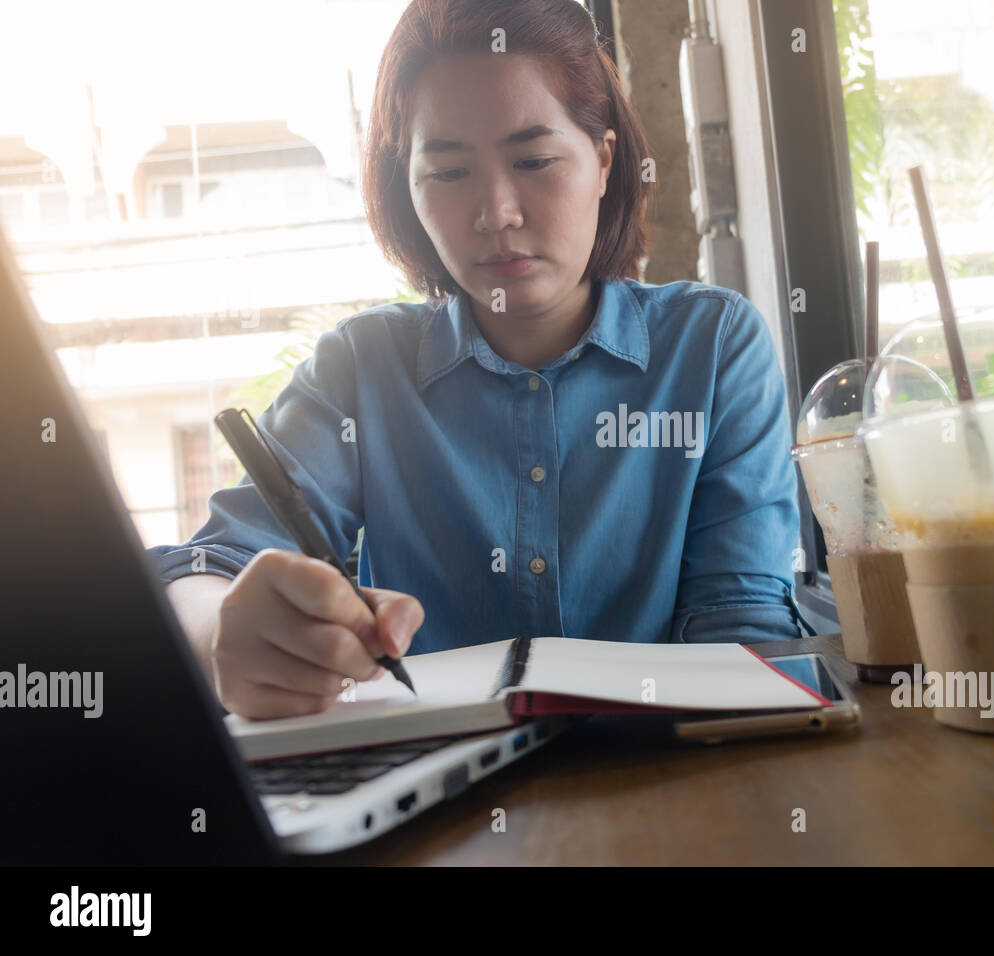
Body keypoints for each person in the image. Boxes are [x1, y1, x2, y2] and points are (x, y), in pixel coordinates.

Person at [152, 0, 812, 721]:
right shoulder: (360, 370)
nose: (496, 211)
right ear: (406, 186)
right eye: (448, 171)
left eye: (533, 160)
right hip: (436, 806)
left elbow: (740, 620)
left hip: (665, 782)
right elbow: (207, 568)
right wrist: (226, 632)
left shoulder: (712, 347)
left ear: (604, 159)